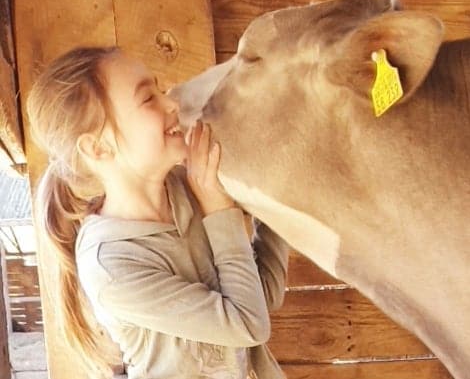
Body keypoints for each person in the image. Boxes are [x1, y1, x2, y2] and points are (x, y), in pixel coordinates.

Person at [26, 46, 289, 379]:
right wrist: (220, 212)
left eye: (159, 89)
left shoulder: (191, 187)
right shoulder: (112, 266)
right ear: (98, 147)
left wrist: (276, 187)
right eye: (148, 99)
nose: (172, 103)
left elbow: (259, 300)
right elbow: (248, 324)